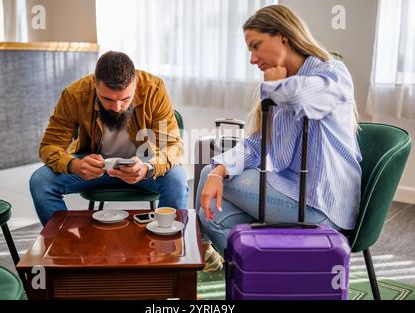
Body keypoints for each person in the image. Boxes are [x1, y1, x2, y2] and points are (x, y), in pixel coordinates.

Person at [196, 4, 362, 271]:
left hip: (322, 207)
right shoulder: (279, 83)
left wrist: (273, 87)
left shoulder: (331, 73)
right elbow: (255, 144)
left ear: (283, 36)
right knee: (213, 207)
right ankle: (265, 275)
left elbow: (304, 98)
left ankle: (226, 260)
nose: (252, 58)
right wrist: (221, 169)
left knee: (206, 177)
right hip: (292, 194)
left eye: (256, 45)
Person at [30, 51, 188, 225]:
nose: (117, 107)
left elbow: (173, 145)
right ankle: (66, 246)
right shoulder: (74, 94)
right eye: (107, 99)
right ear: (94, 84)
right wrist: (74, 165)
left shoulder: (154, 89)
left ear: (135, 83)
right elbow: (49, 146)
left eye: (125, 99)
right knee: (40, 182)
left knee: (177, 180)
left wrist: (148, 167)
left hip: (143, 165)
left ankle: (165, 246)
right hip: (95, 167)